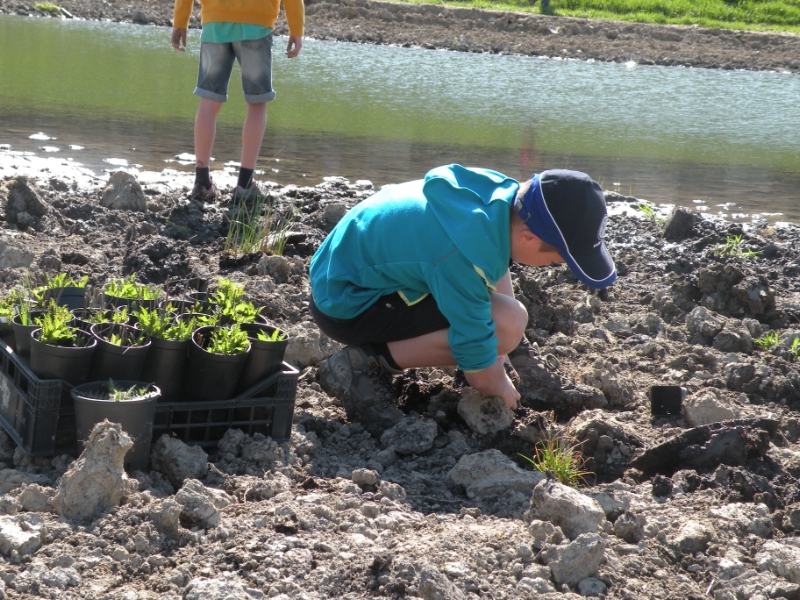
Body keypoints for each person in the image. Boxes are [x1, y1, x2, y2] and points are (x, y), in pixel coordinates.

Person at [309, 164, 617, 437]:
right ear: (528, 238)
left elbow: (493, 263)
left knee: (505, 325)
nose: (553, 267)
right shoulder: (458, 254)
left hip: (345, 274)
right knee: (504, 325)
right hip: (347, 305)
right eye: (554, 261)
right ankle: (362, 363)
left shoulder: (499, 200)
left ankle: (512, 350)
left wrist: (506, 352)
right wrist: (501, 388)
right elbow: (480, 374)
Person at [170, 0, 304, 202]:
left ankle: (201, 182)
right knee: (257, 104)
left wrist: (180, 21)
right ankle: (245, 184)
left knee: (209, 101)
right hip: (257, 24)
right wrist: (296, 29)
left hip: (215, 22)